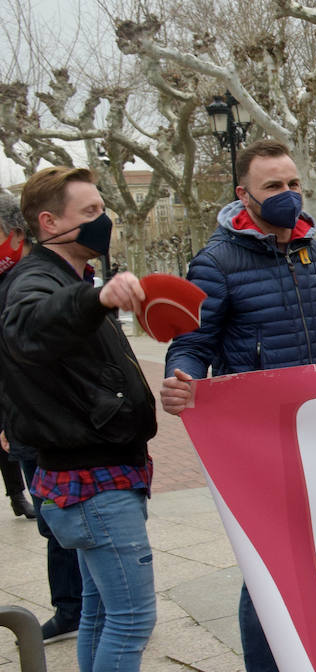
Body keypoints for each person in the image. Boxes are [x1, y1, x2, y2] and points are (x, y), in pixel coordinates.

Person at [160, 140, 316, 672]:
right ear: (244, 195)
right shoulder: (216, 261)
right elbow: (193, 342)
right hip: (262, 438)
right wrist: (184, 377)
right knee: (269, 566)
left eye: (292, 184)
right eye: (273, 187)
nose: (288, 195)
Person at [0, 167, 158, 670]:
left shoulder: (68, 277)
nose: (103, 220)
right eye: (89, 213)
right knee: (132, 619)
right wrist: (97, 298)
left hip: (96, 477)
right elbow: (30, 325)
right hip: (93, 484)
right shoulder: (36, 280)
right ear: (49, 223)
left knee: (97, 612)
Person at [0, 188, 83, 644]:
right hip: (25, 420)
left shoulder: (31, 279)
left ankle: (79, 608)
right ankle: (76, 607)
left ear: (16, 230)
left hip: (45, 423)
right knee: (55, 524)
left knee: (63, 523)